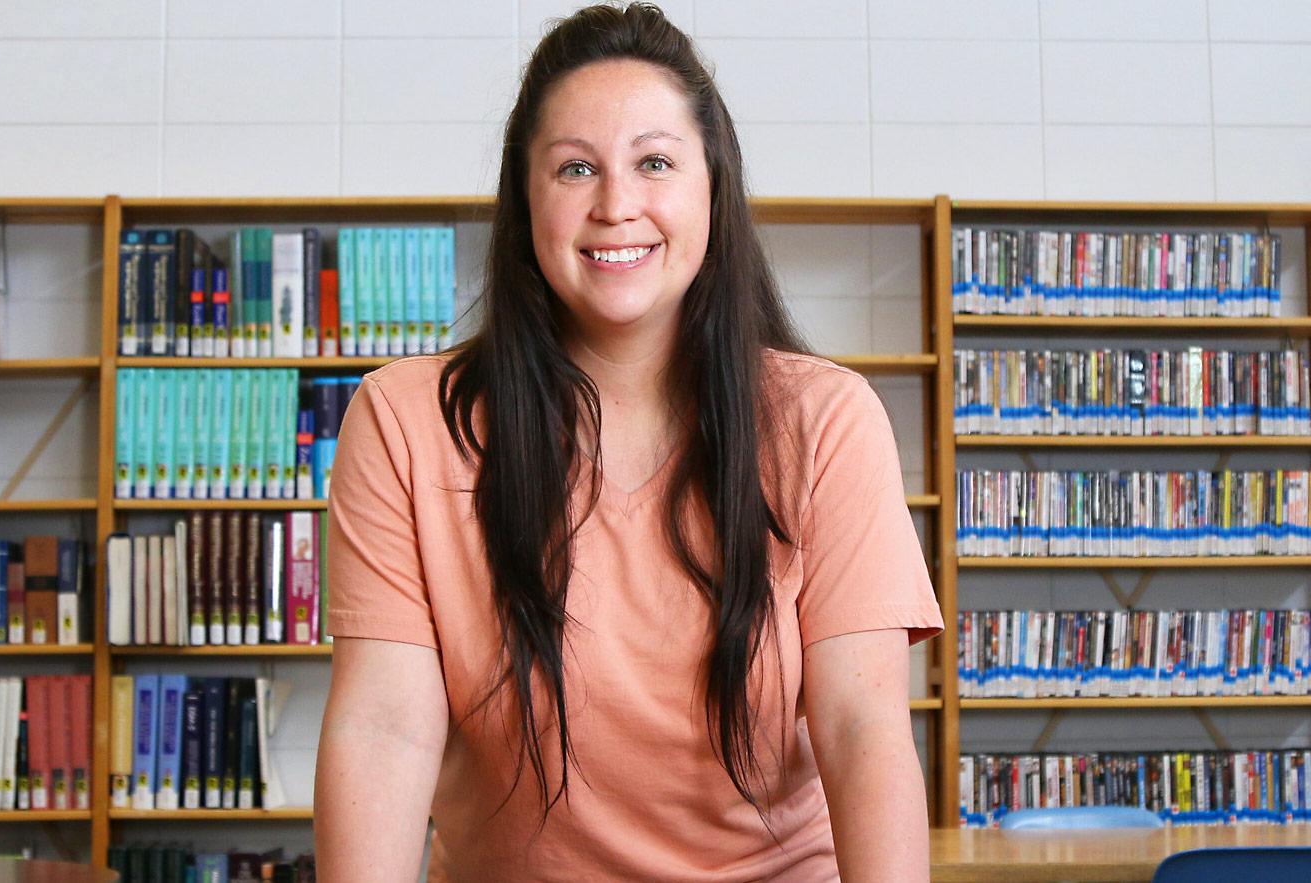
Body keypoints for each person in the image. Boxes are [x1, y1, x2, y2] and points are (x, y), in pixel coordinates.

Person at [314, 4, 942, 880]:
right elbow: (384, 728)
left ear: (711, 189)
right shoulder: (406, 422)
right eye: (575, 167)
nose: (617, 205)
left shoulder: (825, 421)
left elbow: (860, 728)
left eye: (655, 162)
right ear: (524, 199)